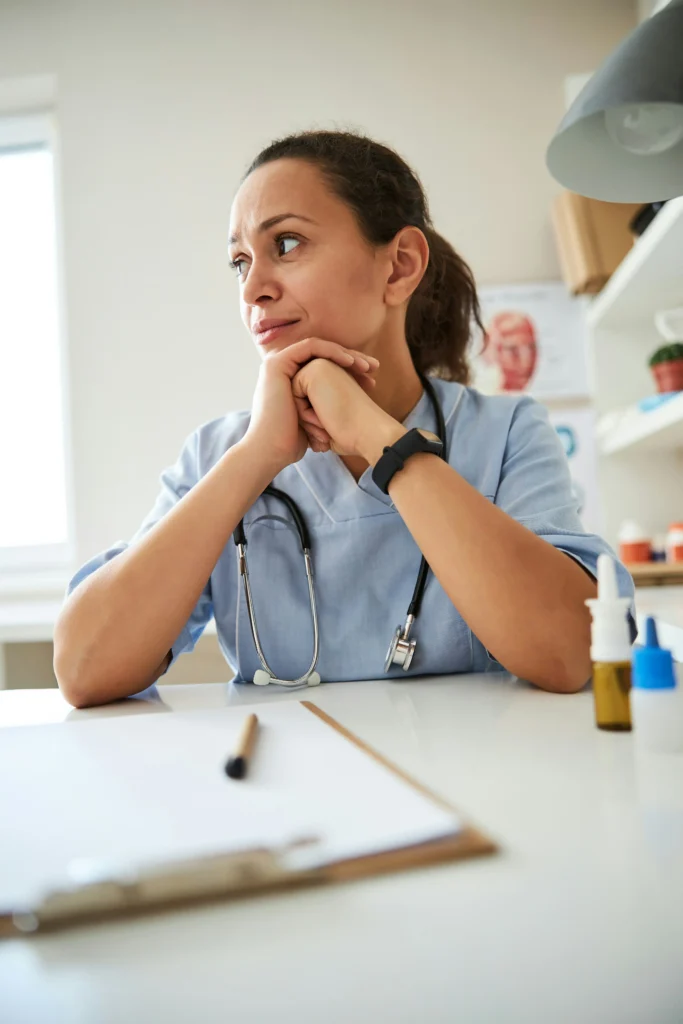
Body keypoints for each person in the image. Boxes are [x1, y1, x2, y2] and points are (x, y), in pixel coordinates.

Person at [53, 129, 635, 709]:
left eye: (285, 244)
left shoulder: (505, 432)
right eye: (239, 262)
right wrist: (257, 458)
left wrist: (384, 442)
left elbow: (568, 652)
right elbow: (84, 670)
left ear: (399, 266)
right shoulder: (218, 455)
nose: (253, 288)